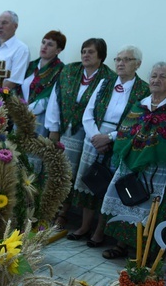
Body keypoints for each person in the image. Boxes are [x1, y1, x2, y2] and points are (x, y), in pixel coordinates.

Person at [99, 62, 166, 260]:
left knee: (148, 207)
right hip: (131, 163)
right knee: (127, 201)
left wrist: (149, 150)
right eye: (154, 76)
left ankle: (142, 253)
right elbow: (126, 130)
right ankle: (120, 245)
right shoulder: (140, 104)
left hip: (157, 169)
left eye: (162, 77)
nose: (156, 80)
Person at [72, 46, 150, 245]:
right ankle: (84, 226)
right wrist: (96, 136)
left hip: (120, 140)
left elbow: (138, 121)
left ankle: (100, 231)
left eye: (127, 59)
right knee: (89, 182)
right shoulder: (105, 83)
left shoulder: (143, 90)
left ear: (138, 64)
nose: (121, 63)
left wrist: (111, 137)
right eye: (118, 59)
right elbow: (88, 113)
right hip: (95, 136)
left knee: (108, 187)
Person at [45, 38, 114, 227]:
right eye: (83, 51)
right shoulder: (69, 71)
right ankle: (55, 210)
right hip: (66, 130)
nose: (85, 55)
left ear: (101, 56)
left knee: (79, 174)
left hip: (91, 134)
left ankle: (66, 214)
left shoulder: (109, 78)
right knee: (62, 172)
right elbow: (55, 98)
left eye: (91, 52)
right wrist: (53, 128)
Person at [20, 30, 66, 136]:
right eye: (43, 42)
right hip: (20, 115)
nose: (44, 47)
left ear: (58, 50)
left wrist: (26, 110)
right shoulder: (30, 66)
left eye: (50, 45)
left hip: (40, 118)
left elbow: (50, 99)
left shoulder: (60, 70)